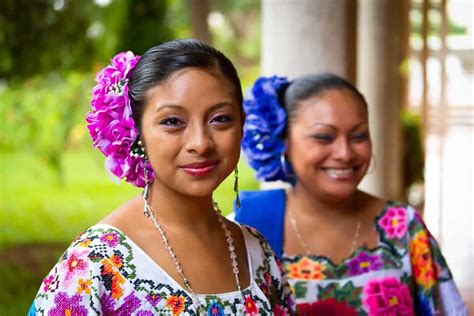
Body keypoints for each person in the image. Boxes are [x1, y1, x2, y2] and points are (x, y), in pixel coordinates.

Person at [29, 39, 296, 315]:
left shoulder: (257, 253)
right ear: (137, 132)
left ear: (242, 123)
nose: (200, 143)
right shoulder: (95, 265)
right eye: (172, 121)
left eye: (219, 119)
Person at [235, 73, 468, 315]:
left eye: (359, 136)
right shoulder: (248, 228)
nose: (345, 153)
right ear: (283, 141)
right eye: (324, 137)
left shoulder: (403, 227)